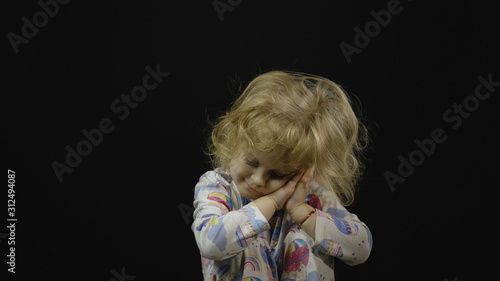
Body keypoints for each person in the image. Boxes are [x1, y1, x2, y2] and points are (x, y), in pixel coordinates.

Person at [192, 70, 372, 280]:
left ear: (301, 171)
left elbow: (361, 248)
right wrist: (272, 201)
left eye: (278, 174)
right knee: (249, 234)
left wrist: (301, 211)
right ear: (234, 140)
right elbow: (211, 244)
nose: (258, 180)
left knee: (301, 232)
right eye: (251, 161)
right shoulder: (216, 185)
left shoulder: (312, 194)